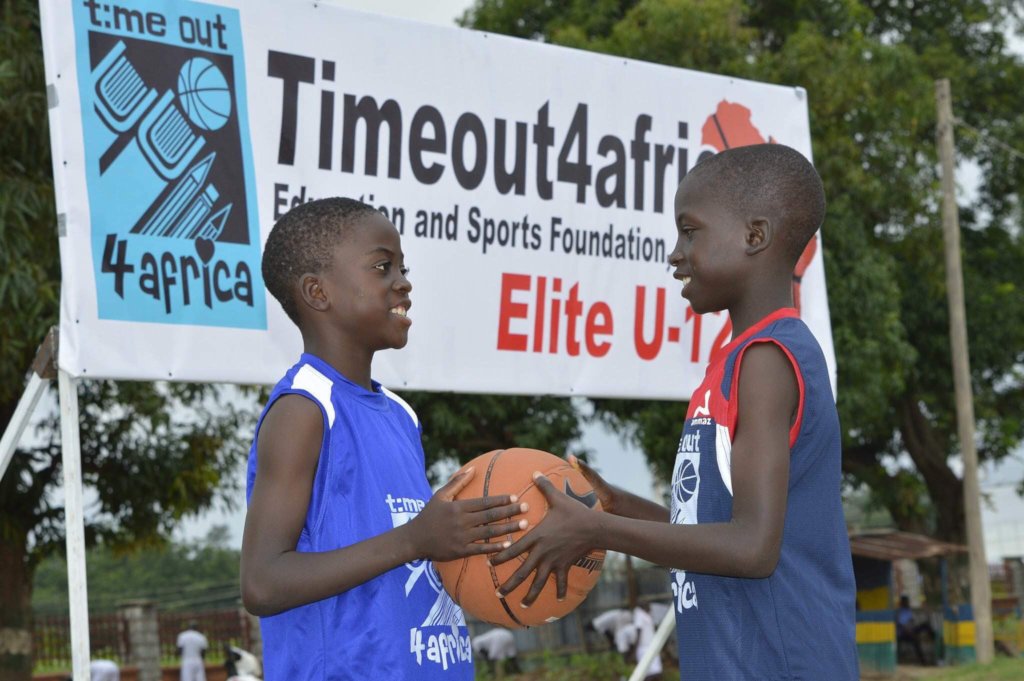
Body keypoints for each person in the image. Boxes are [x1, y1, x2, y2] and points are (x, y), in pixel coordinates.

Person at [489, 144, 859, 679]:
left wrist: (596, 531)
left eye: (690, 232)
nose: (675, 253)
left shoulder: (768, 359)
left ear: (755, 235)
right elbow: (712, 539)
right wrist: (618, 508)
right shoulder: (735, 361)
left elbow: (752, 548)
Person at [240, 197, 526, 680]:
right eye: (382, 266)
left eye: (402, 268)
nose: (403, 282)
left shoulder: (400, 414)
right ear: (317, 292)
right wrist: (415, 540)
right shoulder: (304, 409)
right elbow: (262, 582)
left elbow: (413, 553)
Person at [896, 595, 934, 665]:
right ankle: (923, 661)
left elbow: (911, 621)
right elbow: (903, 626)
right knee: (916, 641)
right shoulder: (901, 611)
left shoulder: (908, 610)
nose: (908, 603)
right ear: (903, 603)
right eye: (906, 602)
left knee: (925, 625)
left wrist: (913, 628)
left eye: (908, 601)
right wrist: (912, 633)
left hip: (912, 630)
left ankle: (933, 638)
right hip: (904, 634)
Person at [632, 603, 663, 680]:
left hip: (651, 646)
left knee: (656, 672)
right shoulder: (639, 614)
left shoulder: (647, 616)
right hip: (644, 648)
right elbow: (639, 630)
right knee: (648, 673)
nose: (650, 608)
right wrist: (635, 649)